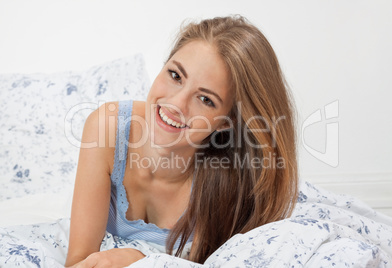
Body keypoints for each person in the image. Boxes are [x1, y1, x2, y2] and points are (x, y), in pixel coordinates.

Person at [65, 15, 298, 267]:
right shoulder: (108, 128)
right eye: (175, 75)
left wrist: (142, 261)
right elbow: (78, 260)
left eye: (206, 99)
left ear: (225, 123)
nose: (176, 104)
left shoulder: (232, 182)